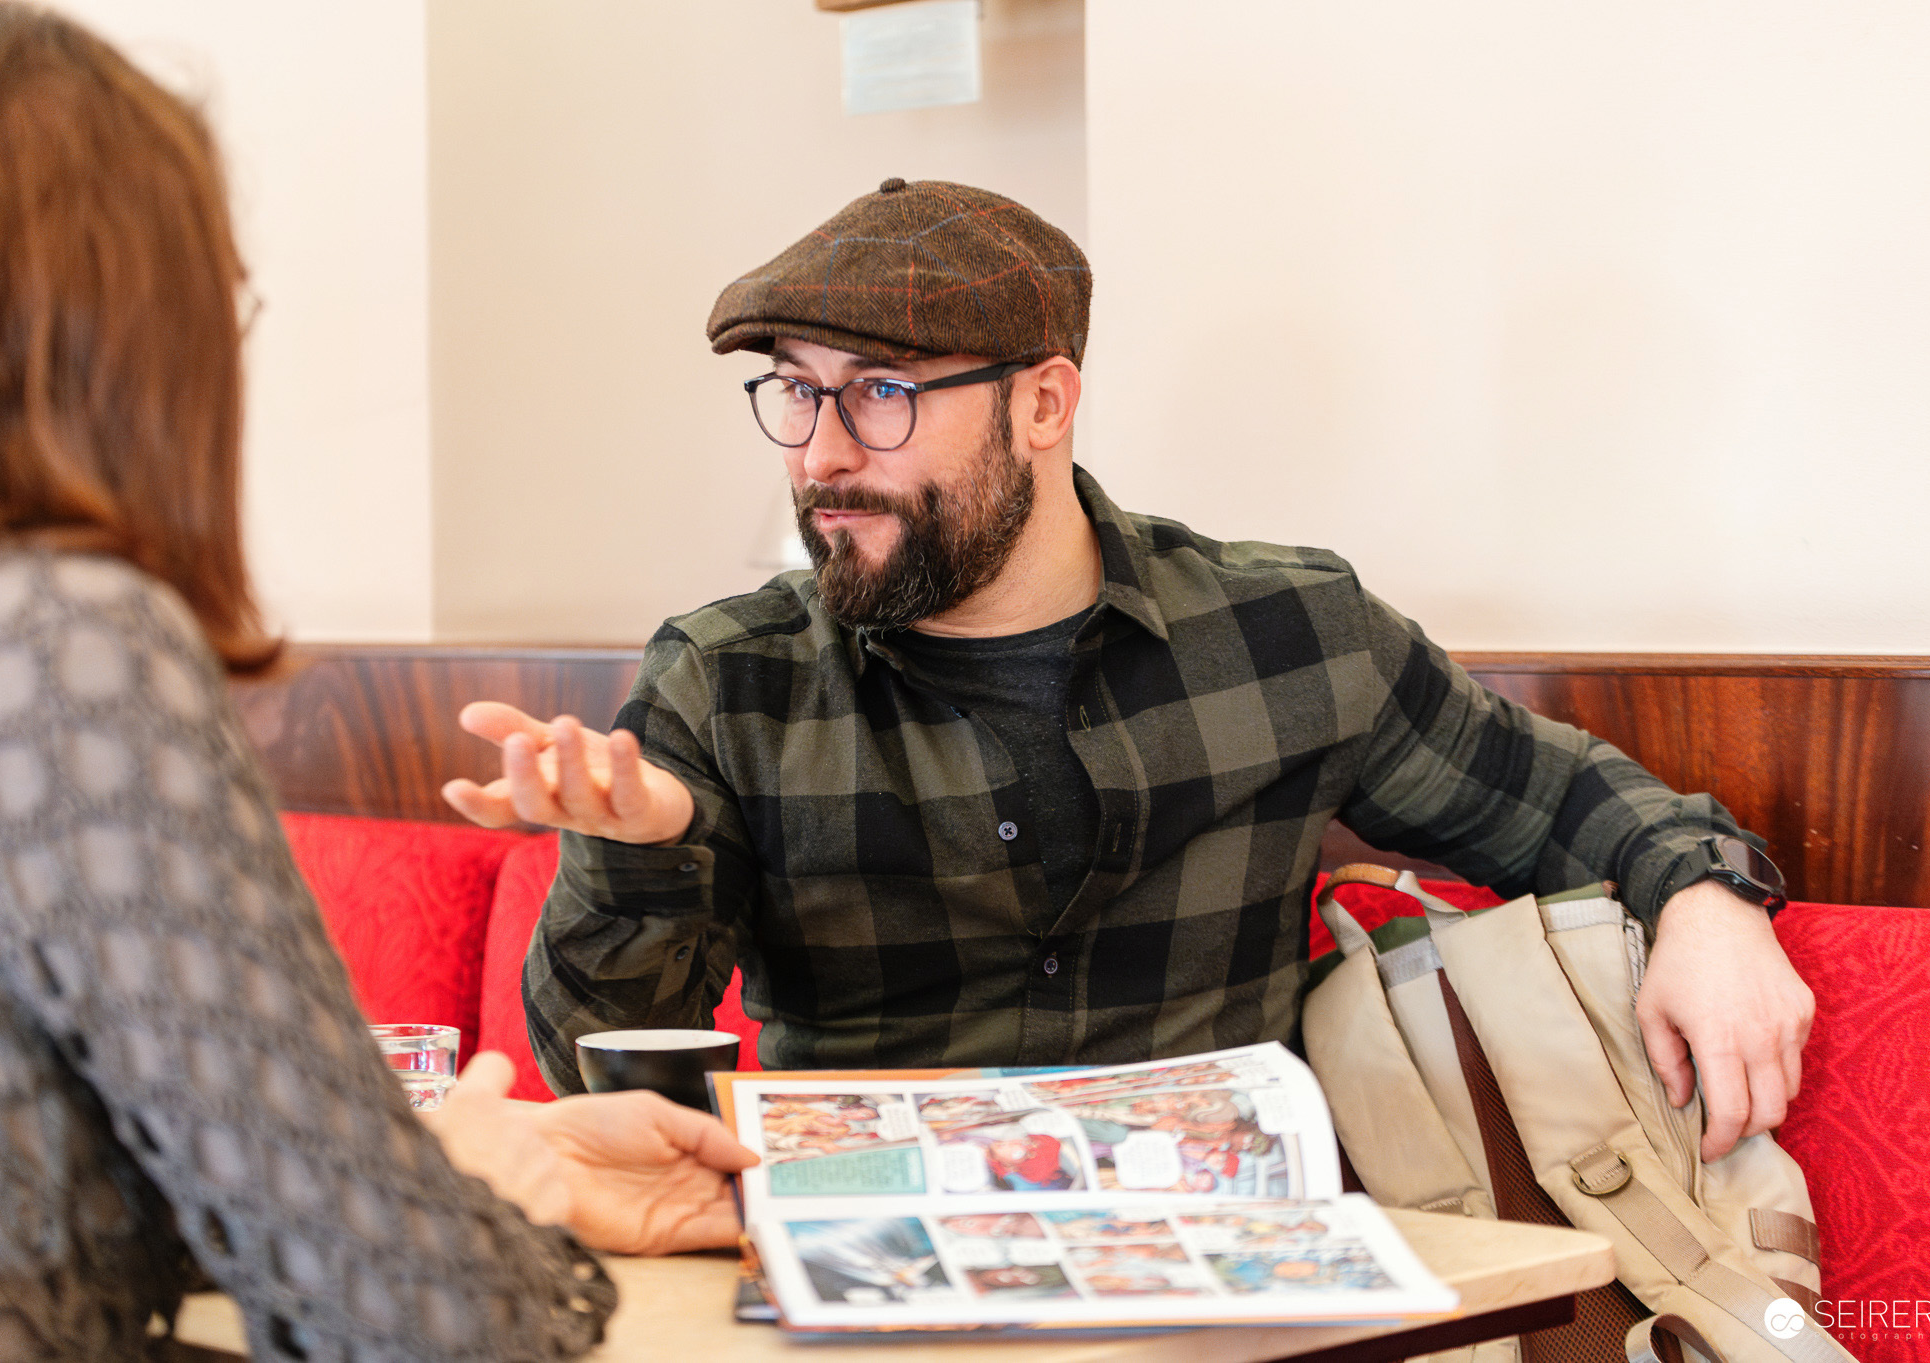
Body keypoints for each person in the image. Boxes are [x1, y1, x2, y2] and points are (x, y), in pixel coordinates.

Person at [446, 178, 1815, 1165]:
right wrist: (633, 852)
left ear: (1044, 402)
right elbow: (592, 1087)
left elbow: (1559, 803)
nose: (819, 455)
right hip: (858, 1268)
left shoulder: (1289, 635)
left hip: (1221, 1267)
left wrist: (1704, 900)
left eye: (879, 392)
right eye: (796, 393)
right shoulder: (729, 684)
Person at [0, 5, 753, 1359]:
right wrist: (470, 1196)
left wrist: (483, 1150)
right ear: (128, 325)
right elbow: (413, 1319)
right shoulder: (56, 644)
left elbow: (21, 1176)